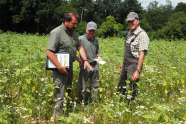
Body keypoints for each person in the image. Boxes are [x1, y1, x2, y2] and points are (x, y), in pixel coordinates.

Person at [46, 12, 93, 117]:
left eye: (76, 24)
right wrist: (59, 67)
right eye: (73, 24)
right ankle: (58, 117)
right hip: (59, 68)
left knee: (68, 89)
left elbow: (79, 47)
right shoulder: (56, 32)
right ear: (66, 21)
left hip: (69, 66)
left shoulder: (73, 32)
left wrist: (84, 60)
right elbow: (49, 52)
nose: (75, 26)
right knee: (60, 92)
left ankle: (65, 112)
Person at [117, 12, 149, 100]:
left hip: (134, 64)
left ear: (137, 21)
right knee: (121, 85)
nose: (130, 23)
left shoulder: (142, 35)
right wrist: (122, 63)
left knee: (130, 88)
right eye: (128, 21)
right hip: (126, 63)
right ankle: (120, 105)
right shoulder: (129, 33)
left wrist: (137, 70)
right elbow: (126, 51)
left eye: (132, 21)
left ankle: (130, 109)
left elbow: (141, 55)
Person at [76, 21, 101, 104]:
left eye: (93, 31)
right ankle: (80, 102)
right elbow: (72, 51)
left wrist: (98, 56)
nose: (91, 32)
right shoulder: (80, 39)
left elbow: (97, 52)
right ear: (86, 29)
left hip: (95, 65)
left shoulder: (96, 40)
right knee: (82, 87)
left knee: (95, 86)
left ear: (95, 31)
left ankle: (93, 102)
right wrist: (78, 59)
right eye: (90, 30)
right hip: (85, 66)